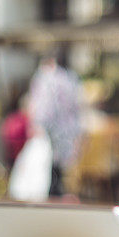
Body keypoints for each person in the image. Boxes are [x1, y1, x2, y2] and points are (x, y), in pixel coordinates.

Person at [28, 49, 81, 197]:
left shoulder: (47, 79)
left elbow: (44, 109)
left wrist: (37, 125)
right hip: (67, 132)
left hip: (51, 132)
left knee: (48, 172)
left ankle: (51, 197)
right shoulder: (70, 78)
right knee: (59, 171)